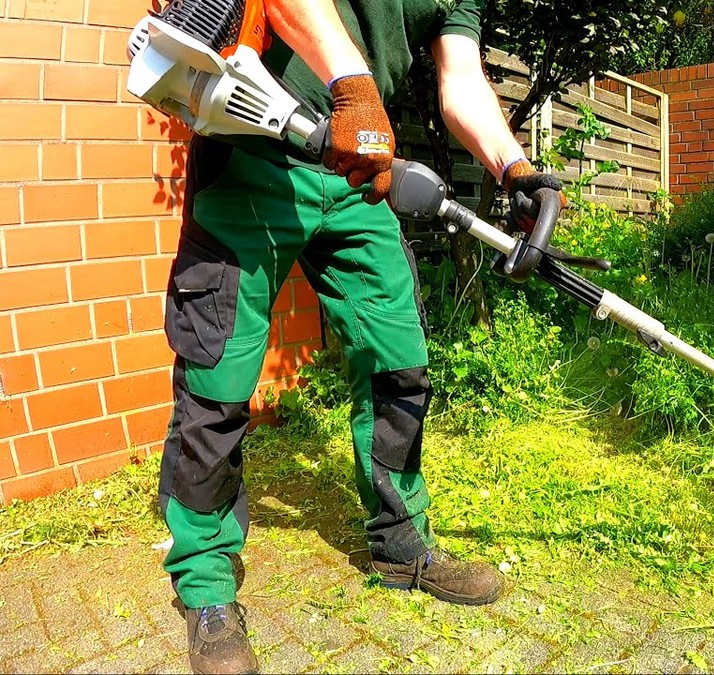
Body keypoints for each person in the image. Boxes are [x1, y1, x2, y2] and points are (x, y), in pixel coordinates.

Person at [155, 0, 566, 672]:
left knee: (397, 358)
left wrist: (513, 168)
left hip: (357, 175)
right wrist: (352, 85)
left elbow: (459, 76)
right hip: (252, 145)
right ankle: (205, 585)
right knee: (217, 376)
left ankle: (402, 544)